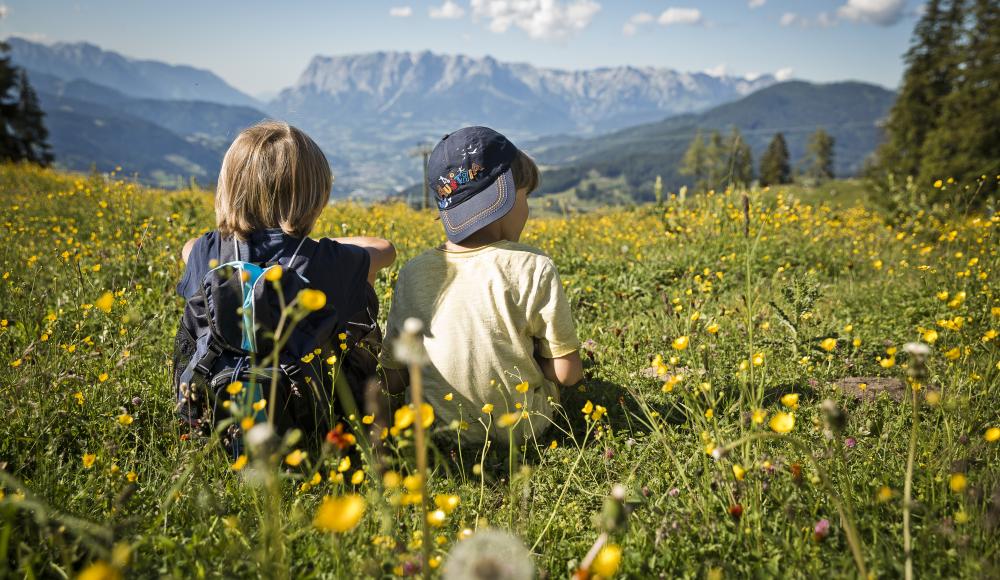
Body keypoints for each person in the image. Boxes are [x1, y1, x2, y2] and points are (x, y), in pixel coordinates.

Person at [174, 120, 395, 443]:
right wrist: (319, 246)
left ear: (230, 189)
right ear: (316, 196)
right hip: (315, 428)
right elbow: (383, 248)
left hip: (215, 423)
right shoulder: (328, 261)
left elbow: (187, 247)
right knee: (361, 284)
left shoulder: (205, 252)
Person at [380, 126, 582, 450]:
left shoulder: (412, 272)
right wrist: (537, 361)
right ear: (508, 198)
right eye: (525, 196)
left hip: (436, 434)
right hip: (522, 431)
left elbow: (393, 376)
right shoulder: (534, 266)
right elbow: (568, 374)